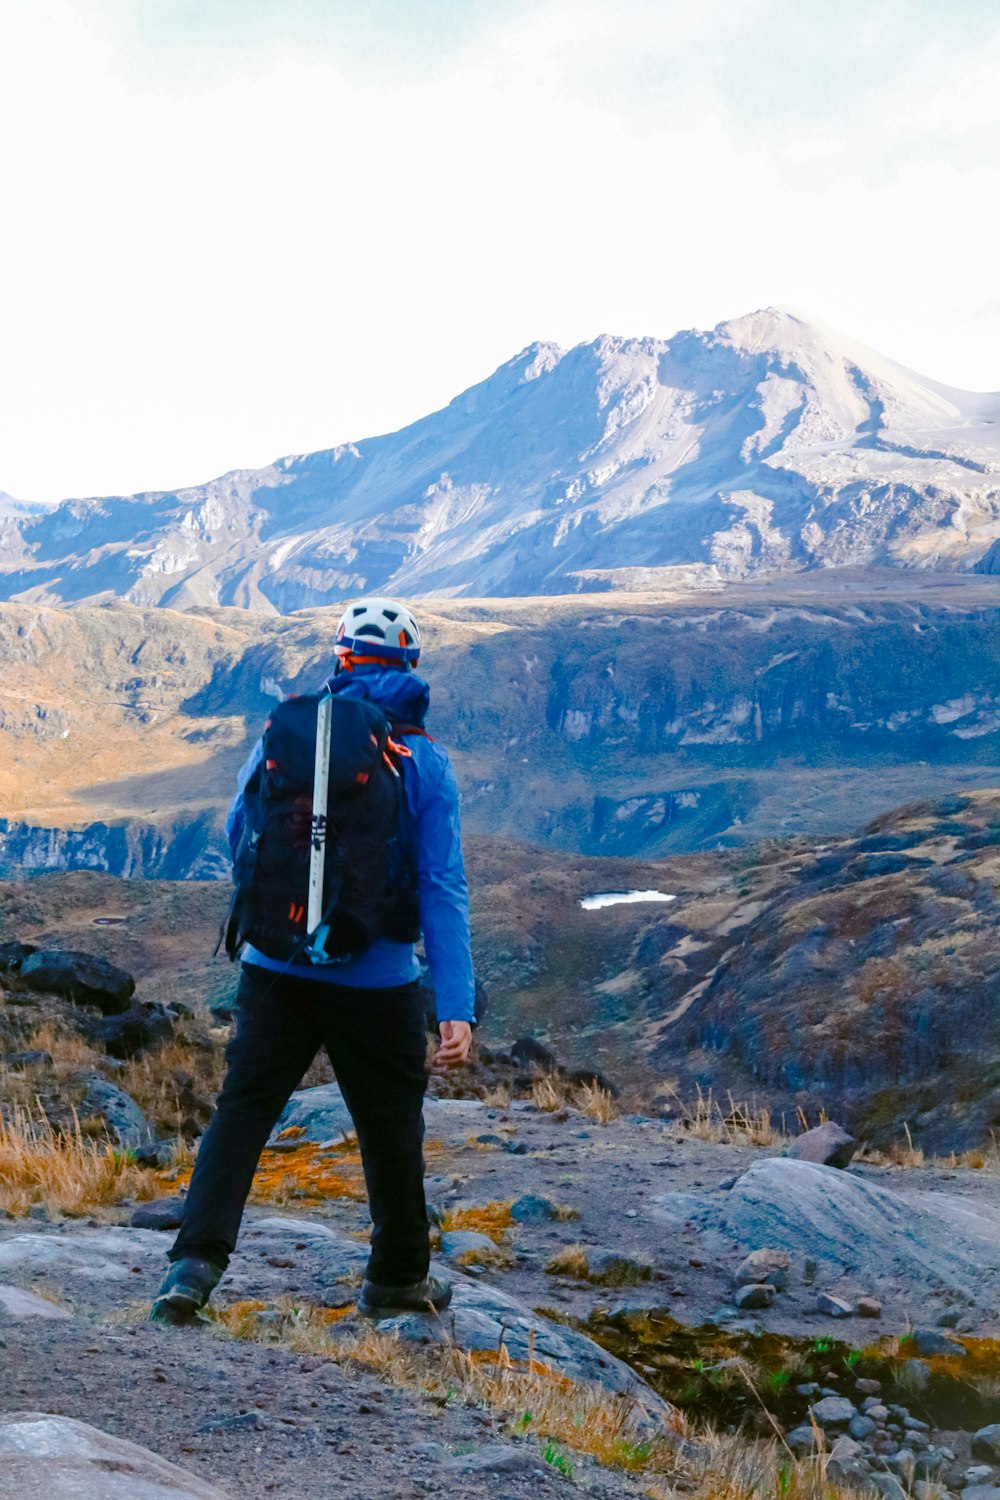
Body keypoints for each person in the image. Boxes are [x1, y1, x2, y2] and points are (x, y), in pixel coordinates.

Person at [150, 597, 475, 1324]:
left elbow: (241, 829)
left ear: (339, 658)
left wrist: (281, 925)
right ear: (411, 667)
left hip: (275, 967)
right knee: (390, 1127)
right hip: (379, 979)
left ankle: (191, 1270)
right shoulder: (422, 758)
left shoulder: (286, 735)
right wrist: (456, 1003)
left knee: (242, 1114)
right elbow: (441, 883)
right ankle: (396, 1279)